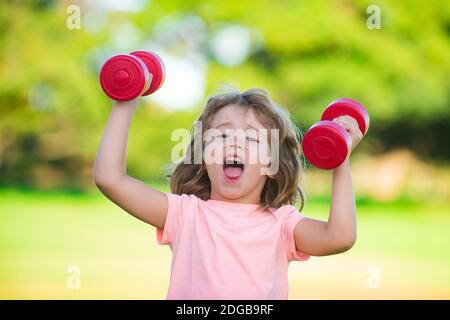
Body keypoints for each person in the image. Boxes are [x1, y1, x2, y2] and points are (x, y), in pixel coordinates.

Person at [93, 88, 361, 299]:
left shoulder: (283, 224)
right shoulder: (185, 214)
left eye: (252, 139)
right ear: (202, 157)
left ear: (272, 164)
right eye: (221, 136)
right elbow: (110, 179)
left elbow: (340, 237)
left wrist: (341, 157)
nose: (234, 142)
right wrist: (125, 102)